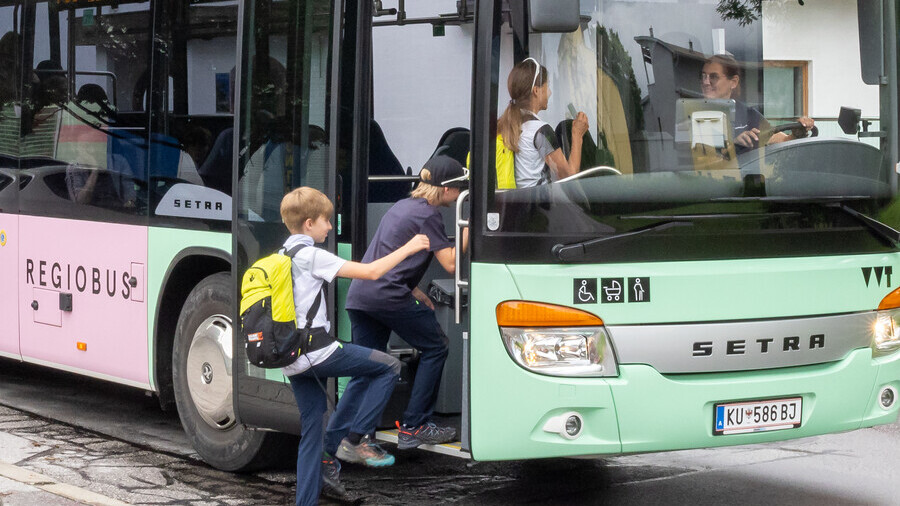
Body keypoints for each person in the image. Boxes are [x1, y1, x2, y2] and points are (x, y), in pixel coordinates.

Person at [279, 186, 431, 506]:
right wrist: (409, 247)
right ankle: (357, 438)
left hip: (291, 356)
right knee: (388, 366)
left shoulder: (281, 256)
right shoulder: (312, 255)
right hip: (318, 353)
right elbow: (371, 272)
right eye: (325, 221)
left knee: (312, 435)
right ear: (308, 224)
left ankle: (309, 495)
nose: (330, 227)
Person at [339, 155, 468, 451]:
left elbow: (391, 256)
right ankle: (414, 426)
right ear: (446, 190)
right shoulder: (429, 215)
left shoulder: (402, 206)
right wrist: (467, 232)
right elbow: (449, 264)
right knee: (436, 346)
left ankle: (352, 437)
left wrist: (417, 291)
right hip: (388, 297)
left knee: (368, 366)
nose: (461, 194)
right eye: (459, 189)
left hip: (362, 296)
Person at [498, 57, 589, 187]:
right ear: (536, 90)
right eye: (547, 86)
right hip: (535, 204)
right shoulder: (540, 132)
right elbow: (568, 177)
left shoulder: (505, 124)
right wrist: (577, 135)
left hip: (516, 202)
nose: (550, 92)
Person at [701, 54, 814, 153]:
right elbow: (695, 154)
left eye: (713, 77)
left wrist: (797, 133)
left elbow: (778, 140)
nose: (706, 82)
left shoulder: (748, 114)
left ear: (734, 82)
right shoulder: (692, 112)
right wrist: (733, 145)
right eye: (703, 76)